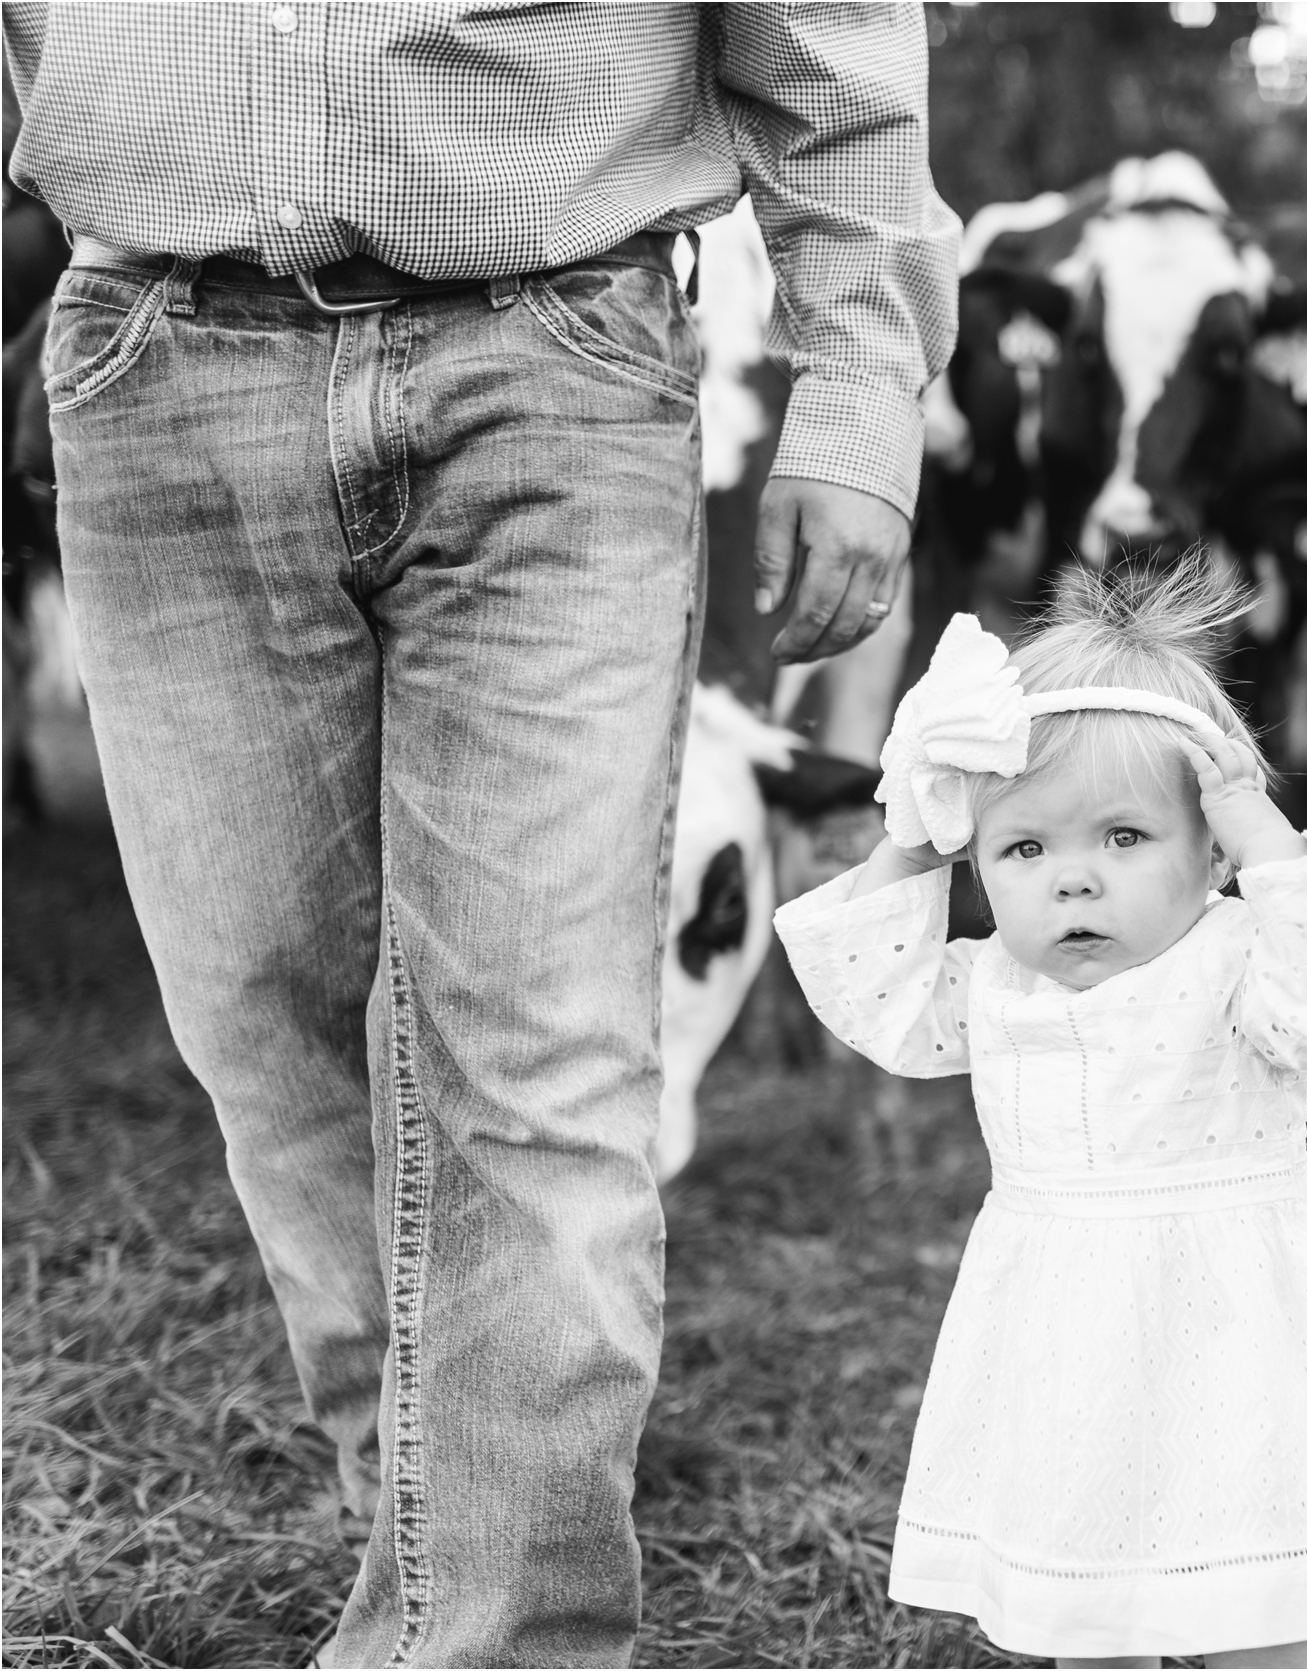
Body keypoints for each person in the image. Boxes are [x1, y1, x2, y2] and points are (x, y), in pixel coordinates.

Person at [2, 7, 957, 1665]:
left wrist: (860, 401)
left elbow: (837, 62)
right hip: (152, 344)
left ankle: (506, 1637)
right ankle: (428, 1545)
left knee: (538, 1043)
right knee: (263, 1010)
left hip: (551, 357)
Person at [775, 561, 1307, 1669]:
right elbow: (869, 996)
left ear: (1211, 854)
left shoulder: (1241, 959)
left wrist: (1273, 847)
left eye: (1125, 838)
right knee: (1085, 1603)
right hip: (1066, 1348)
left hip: (1247, 1336)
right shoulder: (986, 988)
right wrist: (911, 835)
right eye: (1024, 850)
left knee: (1264, 1601)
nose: (1073, 882)